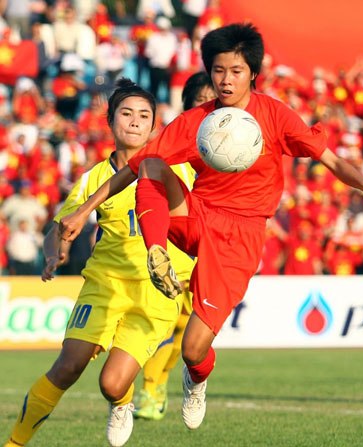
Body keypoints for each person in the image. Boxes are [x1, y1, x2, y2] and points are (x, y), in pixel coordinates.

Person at [58, 23, 363, 431]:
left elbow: (329, 160)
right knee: (151, 164)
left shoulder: (275, 114)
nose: (225, 79)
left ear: (252, 73)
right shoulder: (198, 120)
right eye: (218, 70)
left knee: (193, 348)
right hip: (198, 212)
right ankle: (157, 251)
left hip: (243, 233)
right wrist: (83, 211)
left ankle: (196, 381)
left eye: (235, 71)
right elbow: (133, 168)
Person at [3, 79, 195, 447]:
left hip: (157, 291)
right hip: (105, 282)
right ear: (109, 122)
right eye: (127, 113)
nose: (136, 122)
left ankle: (120, 402)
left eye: (144, 116)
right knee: (68, 365)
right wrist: (52, 251)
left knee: (112, 383)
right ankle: (13, 443)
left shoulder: (182, 169)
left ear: (155, 125)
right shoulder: (93, 178)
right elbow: (61, 226)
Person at [134, 71, 216, 421]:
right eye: (201, 102)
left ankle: (163, 383)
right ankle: (148, 393)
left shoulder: (228, 154)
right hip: (172, 256)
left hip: (208, 255)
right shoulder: (172, 151)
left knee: (187, 333)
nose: (209, 109)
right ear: (189, 109)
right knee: (162, 328)